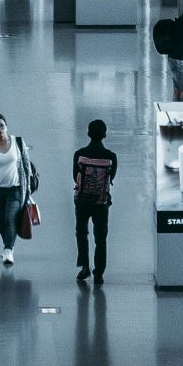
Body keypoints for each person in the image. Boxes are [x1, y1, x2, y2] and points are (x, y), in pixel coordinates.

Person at [0, 114, 38, 266]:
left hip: (15, 190)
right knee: (3, 221)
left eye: (2, 125)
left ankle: (8, 249)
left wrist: (28, 188)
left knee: (10, 218)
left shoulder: (18, 142)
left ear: (6, 126)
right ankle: (7, 246)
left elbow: (27, 167)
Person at [73, 119, 117, 284]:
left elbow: (75, 177)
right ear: (104, 135)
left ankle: (84, 266)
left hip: (82, 201)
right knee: (100, 237)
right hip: (101, 202)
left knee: (81, 233)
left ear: (88, 134)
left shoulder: (79, 154)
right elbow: (111, 178)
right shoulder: (111, 156)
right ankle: (99, 272)